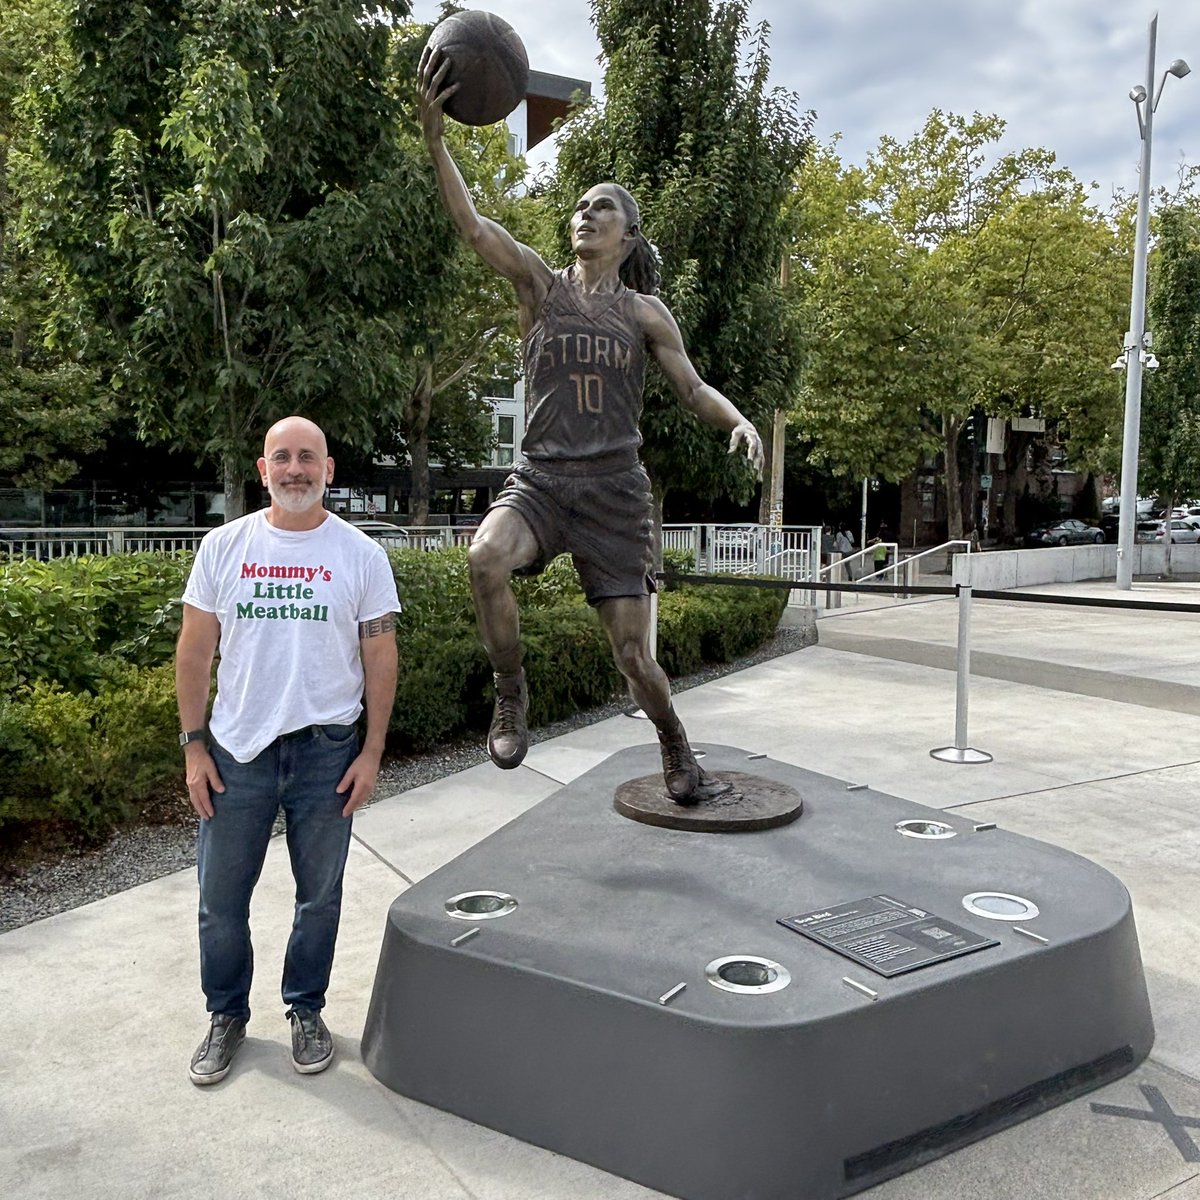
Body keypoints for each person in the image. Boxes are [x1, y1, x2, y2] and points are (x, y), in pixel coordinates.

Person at [418, 48, 764, 805]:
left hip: (613, 491)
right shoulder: (539, 285)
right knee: (484, 559)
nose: (584, 214)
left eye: (601, 208)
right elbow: (475, 228)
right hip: (541, 480)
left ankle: (674, 738)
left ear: (629, 237)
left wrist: (737, 420)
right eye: (579, 206)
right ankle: (511, 689)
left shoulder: (644, 313)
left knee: (635, 661)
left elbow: (694, 387)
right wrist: (439, 141)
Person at [175, 416, 400, 1086]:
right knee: (220, 900)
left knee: (319, 898)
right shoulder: (223, 547)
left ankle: (305, 1009)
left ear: (329, 469)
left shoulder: (360, 554)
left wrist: (372, 752)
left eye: (308, 457)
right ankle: (226, 1016)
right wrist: (193, 746)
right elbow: (194, 651)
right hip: (237, 752)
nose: (295, 468)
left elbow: (380, 652)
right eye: (283, 457)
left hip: (328, 755)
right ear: (262, 467)